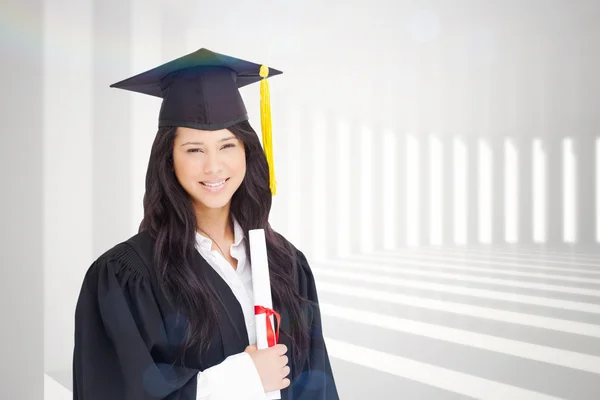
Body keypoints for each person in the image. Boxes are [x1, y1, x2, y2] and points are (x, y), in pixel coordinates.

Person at [72, 48, 339, 400]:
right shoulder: (125, 278)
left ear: (247, 152)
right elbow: (114, 391)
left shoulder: (287, 264)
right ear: (168, 159)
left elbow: (316, 387)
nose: (214, 167)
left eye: (227, 145)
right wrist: (242, 378)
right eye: (195, 150)